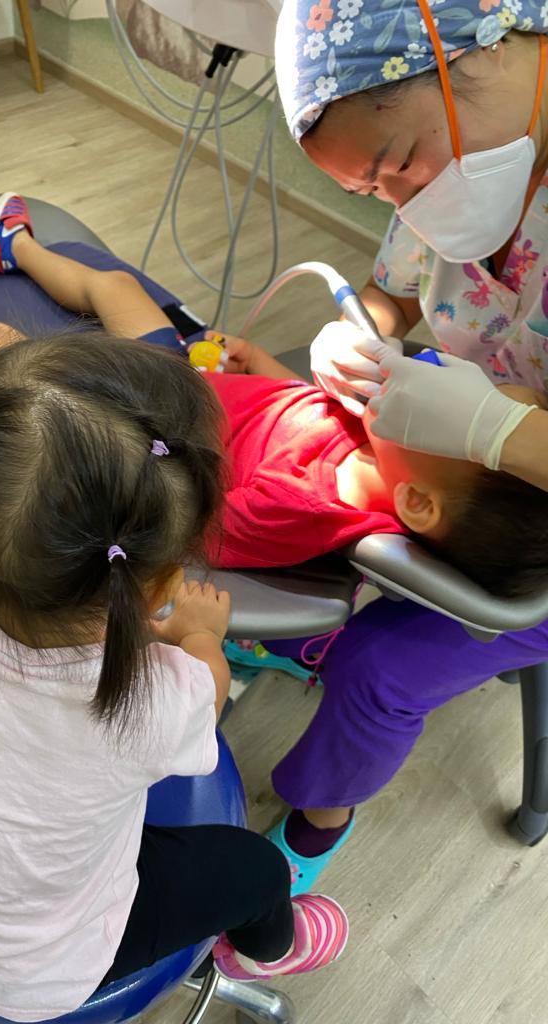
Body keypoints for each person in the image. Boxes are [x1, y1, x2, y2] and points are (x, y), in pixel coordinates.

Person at [0, 322, 348, 1016]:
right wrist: (200, 636)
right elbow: (208, 695)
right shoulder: (155, 701)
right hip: (34, 971)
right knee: (252, 869)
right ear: (158, 585)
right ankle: (268, 946)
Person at [0, 203, 548, 602]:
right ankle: (14, 247)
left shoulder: (307, 508)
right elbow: (294, 420)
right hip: (184, 380)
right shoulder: (381, 435)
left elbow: (183, 516)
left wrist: (103, 423)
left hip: (133, 420)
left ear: (417, 503)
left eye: (471, 403)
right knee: (115, 287)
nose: (450, 376)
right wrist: (272, 376)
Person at [247, 0, 548, 891]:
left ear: (488, 49)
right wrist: (358, 331)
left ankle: (316, 822)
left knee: (380, 667)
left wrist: (502, 427)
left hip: (533, 547)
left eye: (400, 167)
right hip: (461, 473)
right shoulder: (447, 188)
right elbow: (398, 292)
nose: (407, 205)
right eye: (375, 193)